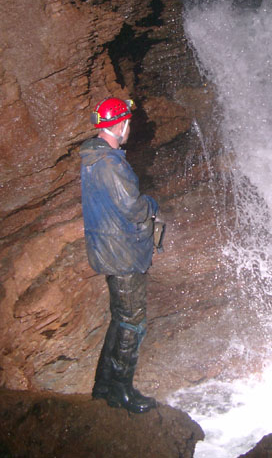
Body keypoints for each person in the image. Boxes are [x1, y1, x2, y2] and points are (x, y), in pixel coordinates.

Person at [79, 97, 159, 414]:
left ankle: (103, 386)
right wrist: (151, 205)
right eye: (128, 123)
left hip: (107, 249)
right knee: (132, 323)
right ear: (121, 124)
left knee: (119, 320)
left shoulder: (93, 156)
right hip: (122, 255)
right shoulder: (111, 164)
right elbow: (133, 207)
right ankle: (122, 393)